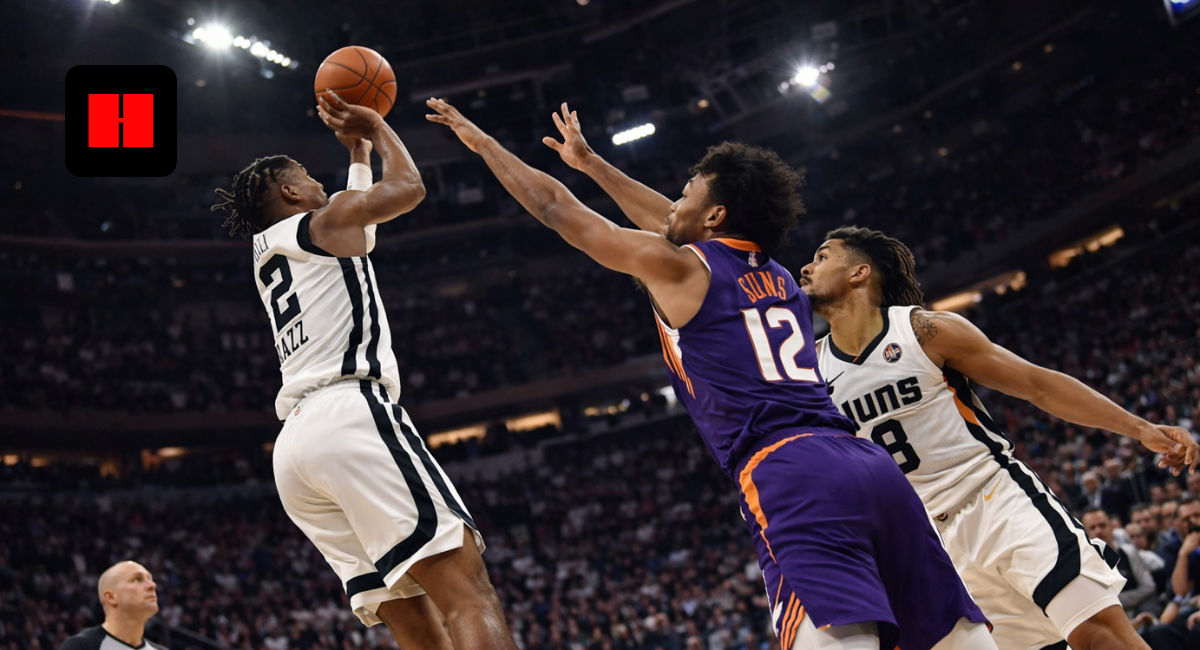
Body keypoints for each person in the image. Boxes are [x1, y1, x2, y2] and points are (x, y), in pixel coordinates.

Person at [427, 98, 995, 650]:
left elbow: (557, 209)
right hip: (870, 466)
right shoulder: (782, 281)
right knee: (956, 640)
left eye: (686, 193)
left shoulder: (681, 269)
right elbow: (673, 221)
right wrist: (594, 164)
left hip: (790, 472)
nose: (671, 203)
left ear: (716, 215)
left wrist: (480, 143)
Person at [795, 225, 1199, 650]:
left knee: (1098, 635)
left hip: (995, 500)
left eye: (823, 257)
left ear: (860, 272)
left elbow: (1036, 384)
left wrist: (1139, 428)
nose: (806, 266)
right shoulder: (810, 373)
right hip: (930, 542)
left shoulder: (922, 331)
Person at [210, 92, 516, 650]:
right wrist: (375, 126)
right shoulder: (322, 222)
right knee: (468, 593)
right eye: (306, 175)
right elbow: (408, 190)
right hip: (351, 413)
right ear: (290, 192)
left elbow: (357, 228)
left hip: (296, 450)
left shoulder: (272, 248)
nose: (318, 183)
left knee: (415, 621)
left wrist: (356, 155)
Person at [58, 561, 167, 650]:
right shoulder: (80, 646)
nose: (152, 585)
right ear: (111, 597)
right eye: (137, 579)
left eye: (150, 579)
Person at [1080, 508, 1157, 616]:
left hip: (1140, 611)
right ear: (1084, 533)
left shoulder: (1128, 552)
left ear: (1111, 527)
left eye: (1102, 526)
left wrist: (1112, 601)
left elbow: (1148, 586)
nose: (1099, 531)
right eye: (1093, 528)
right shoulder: (1083, 566)